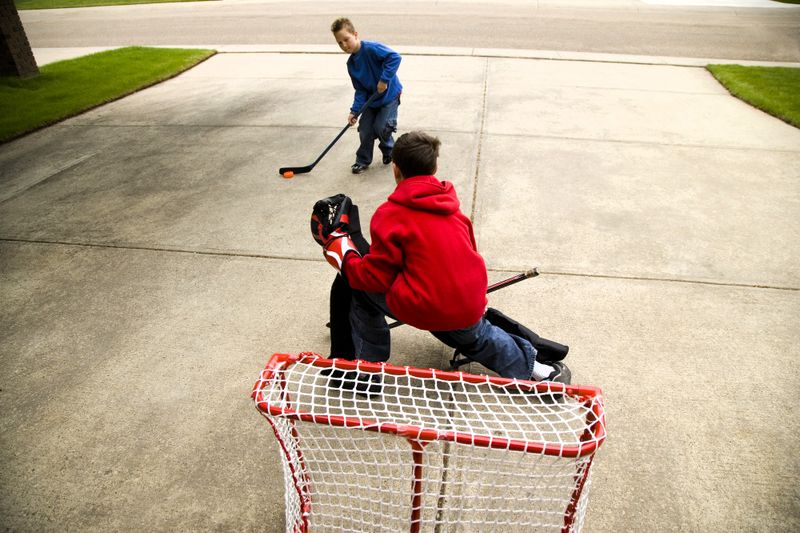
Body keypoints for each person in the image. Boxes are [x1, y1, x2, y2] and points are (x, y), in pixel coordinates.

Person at [318, 131, 568, 385]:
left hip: (429, 306)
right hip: (470, 303)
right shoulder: (454, 209)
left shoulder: (389, 215)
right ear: (435, 167)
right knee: (479, 336)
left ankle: (366, 374)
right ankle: (538, 371)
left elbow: (374, 278)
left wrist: (345, 257)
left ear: (395, 169)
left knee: (357, 289)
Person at [331, 17, 402, 174]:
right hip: (372, 100)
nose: (343, 45)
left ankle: (390, 151)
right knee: (365, 129)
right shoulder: (351, 65)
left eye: (346, 39)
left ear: (355, 34)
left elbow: (395, 57)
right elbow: (360, 90)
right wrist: (354, 111)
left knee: (382, 126)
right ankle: (362, 160)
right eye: (339, 43)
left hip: (389, 97)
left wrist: (384, 79)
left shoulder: (371, 48)